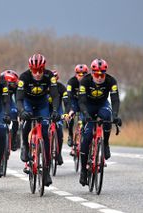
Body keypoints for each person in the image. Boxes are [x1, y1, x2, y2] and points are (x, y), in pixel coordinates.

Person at [16, 53, 60, 186]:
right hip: (28, 103)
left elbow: (55, 96)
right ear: (30, 69)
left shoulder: (49, 76)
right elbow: (18, 99)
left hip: (42, 104)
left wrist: (55, 111)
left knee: (46, 134)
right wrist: (22, 111)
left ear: (44, 68)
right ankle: (25, 146)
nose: (37, 74)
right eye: (34, 71)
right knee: (27, 121)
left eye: (40, 70)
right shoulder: (24, 77)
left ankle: (45, 170)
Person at [78, 58, 122, 186]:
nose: (99, 77)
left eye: (101, 74)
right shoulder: (85, 81)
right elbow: (81, 101)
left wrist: (115, 115)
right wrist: (85, 115)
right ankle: (83, 171)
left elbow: (115, 100)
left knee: (107, 116)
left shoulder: (111, 81)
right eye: (96, 74)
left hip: (102, 104)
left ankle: (106, 144)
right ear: (92, 73)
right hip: (88, 106)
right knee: (86, 137)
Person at [65, 64, 89, 153]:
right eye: (79, 74)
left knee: (85, 120)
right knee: (70, 117)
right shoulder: (71, 81)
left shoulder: (89, 81)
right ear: (76, 74)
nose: (81, 77)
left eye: (84, 75)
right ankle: (70, 135)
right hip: (74, 101)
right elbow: (68, 95)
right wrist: (71, 109)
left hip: (84, 102)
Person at [48, 70, 70, 165]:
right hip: (46, 108)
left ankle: (58, 153)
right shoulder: (45, 86)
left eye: (55, 78)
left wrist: (66, 113)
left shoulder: (61, 87)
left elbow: (66, 102)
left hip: (58, 109)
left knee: (59, 131)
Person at [1, 70, 19, 151]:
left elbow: (18, 98)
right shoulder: (0, 83)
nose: (15, 86)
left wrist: (20, 110)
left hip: (9, 102)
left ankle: (13, 138)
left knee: (14, 113)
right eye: (13, 84)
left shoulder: (14, 87)